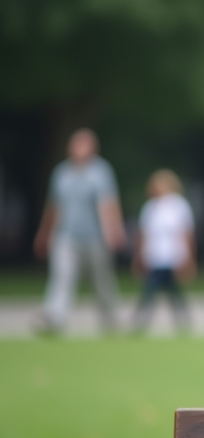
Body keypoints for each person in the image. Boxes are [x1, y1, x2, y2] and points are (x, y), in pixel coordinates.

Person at [32, 128, 125, 335]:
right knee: (62, 277)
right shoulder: (61, 173)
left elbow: (108, 204)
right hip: (66, 236)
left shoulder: (101, 172)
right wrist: (44, 233)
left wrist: (114, 230)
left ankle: (109, 319)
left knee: (102, 280)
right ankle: (53, 318)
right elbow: (54, 207)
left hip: (96, 237)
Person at [131, 169, 195, 334]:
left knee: (174, 294)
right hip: (155, 258)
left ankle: (183, 324)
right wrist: (139, 257)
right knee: (150, 292)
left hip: (173, 257)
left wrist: (188, 259)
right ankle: (140, 322)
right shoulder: (150, 207)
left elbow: (186, 233)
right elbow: (143, 234)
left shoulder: (179, 206)